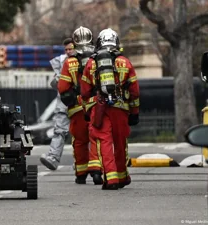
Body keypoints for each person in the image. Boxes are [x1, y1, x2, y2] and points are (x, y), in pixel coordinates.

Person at [80, 28, 140, 190]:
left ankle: (111, 178)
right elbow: (134, 91)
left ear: (99, 42)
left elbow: (85, 91)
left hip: (99, 108)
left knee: (104, 142)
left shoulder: (92, 63)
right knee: (120, 142)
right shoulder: (125, 62)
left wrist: (87, 110)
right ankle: (122, 176)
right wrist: (134, 112)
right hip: (120, 108)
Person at [57, 26, 103, 185]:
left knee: (79, 141)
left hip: (77, 108)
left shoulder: (69, 62)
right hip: (95, 105)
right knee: (96, 138)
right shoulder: (97, 58)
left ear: (74, 42)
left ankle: (81, 173)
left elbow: (63, 88)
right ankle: (97, 171)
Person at [40, 38, 75, 171]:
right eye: (66, 49)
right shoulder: (61, 61)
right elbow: (57, 84)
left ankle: (83, 162)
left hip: (78, 102)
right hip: (64, 102)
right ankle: (53, 158)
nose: (68, 51)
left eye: (70, 48)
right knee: (59, 130)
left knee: (82, 133)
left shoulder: (82, 60)